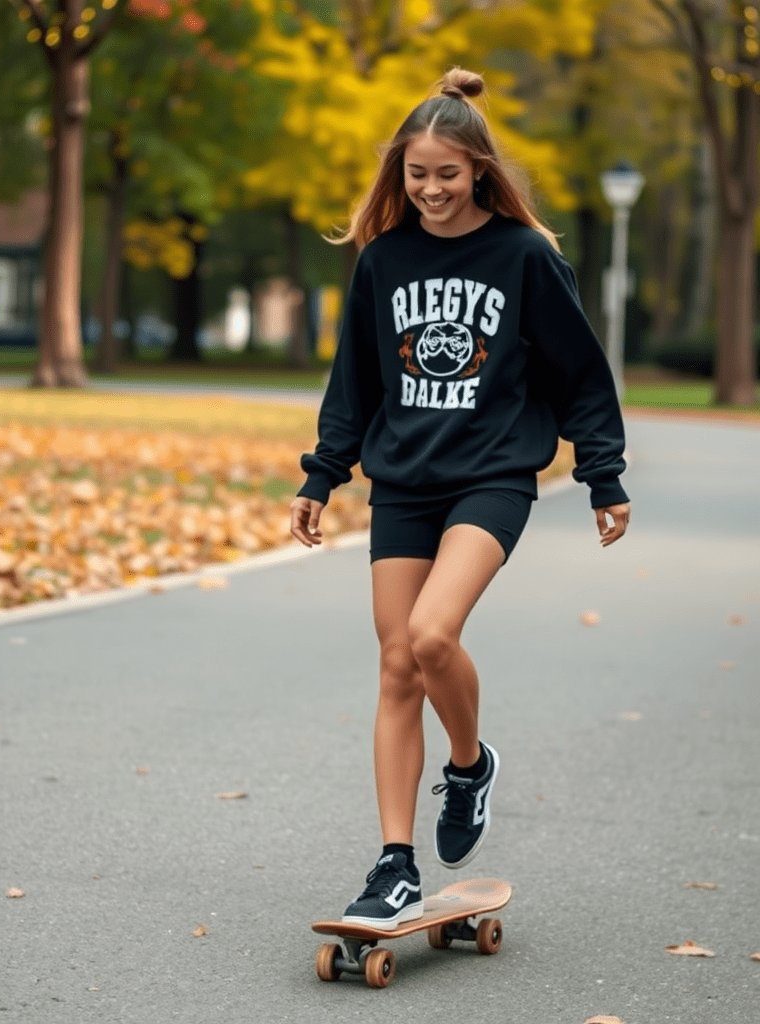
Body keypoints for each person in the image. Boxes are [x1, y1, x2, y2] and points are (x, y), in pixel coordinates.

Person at [290, 67, 630, 930]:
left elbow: (581, 373)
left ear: (480, 169)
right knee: (396, 662)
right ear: (398, 172)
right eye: (416, 174)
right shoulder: (384, 260)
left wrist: (603, 473)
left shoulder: (526, 258)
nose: (431, 189)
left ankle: (470, 765)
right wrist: (322, 474)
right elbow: (355, 380)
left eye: (447, 173)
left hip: (492, 475)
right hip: (404, 480)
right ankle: (394, 863)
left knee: (432, 634)